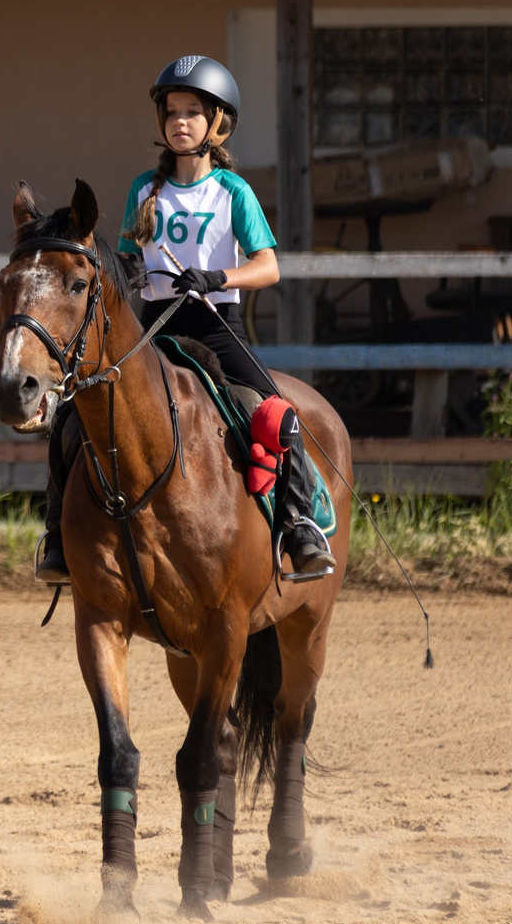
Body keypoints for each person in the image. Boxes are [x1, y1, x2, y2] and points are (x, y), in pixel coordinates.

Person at [35, 54, 337, 586]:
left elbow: (268, 267)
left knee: (273, 413)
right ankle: (57, 536)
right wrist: (125, 272)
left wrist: (217, 279)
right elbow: (129, 257)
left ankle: (299, 527)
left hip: (216, 325)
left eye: (192, 112)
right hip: (154, 326)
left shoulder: (233, 192)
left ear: (216, 122)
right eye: (172, 111)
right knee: (71, 416)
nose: (179, 121)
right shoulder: (143, 191)